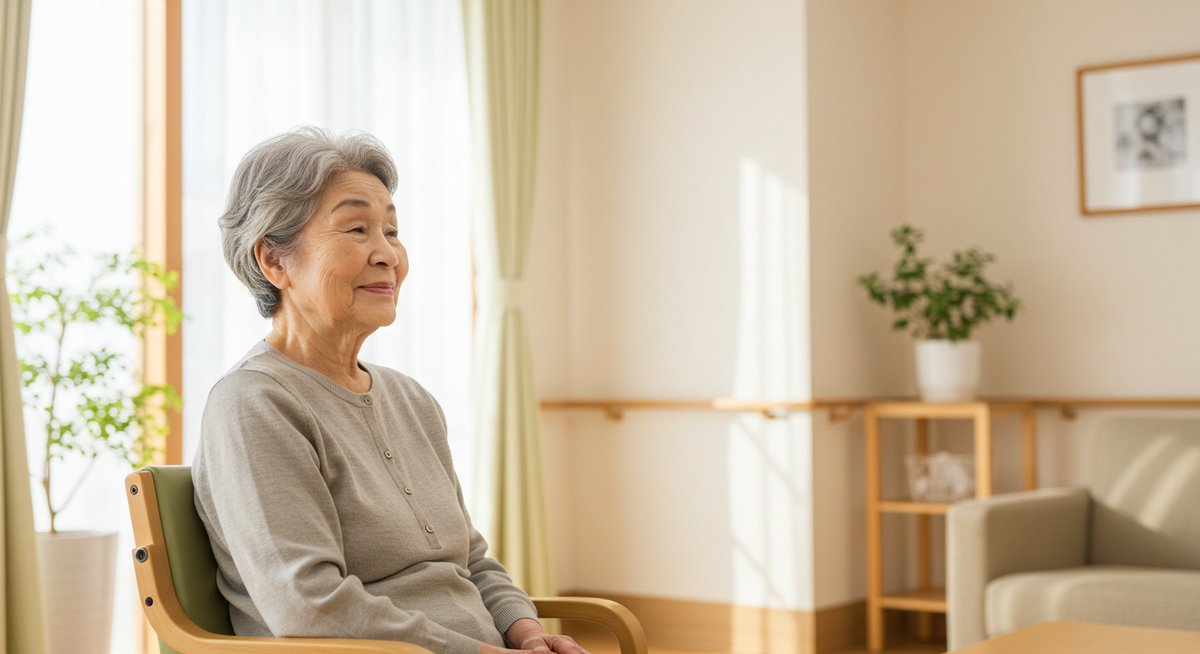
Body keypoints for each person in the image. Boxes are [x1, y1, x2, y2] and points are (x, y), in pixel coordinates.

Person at [192, 127, 585, 654]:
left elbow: (469, 560)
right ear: (274, 261)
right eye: (356, 229)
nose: (387, 255)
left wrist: (528, 631)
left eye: (392, 231)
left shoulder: (411, 400)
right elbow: (309, 605)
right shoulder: (254, 404)